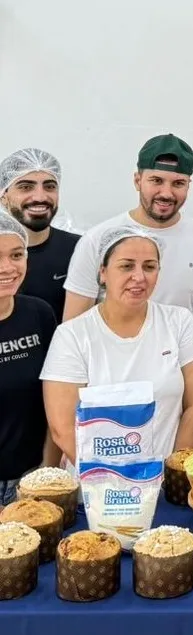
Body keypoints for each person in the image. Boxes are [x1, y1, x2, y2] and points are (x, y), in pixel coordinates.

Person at [41, 225, 193, 466]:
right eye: (126, 266)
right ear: (103, 272)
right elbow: (63, 428)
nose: (139, 277)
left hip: (163, 484)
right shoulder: (73, 335)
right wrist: (116, 482)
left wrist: (169, 474)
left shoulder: (180, 322)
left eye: (149, 267)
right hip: (94, 487)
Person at [62, 133, 193, 321]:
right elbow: (73, 326)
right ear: (137, 181)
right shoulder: (98, 239)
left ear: (189, 185)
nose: (166, 193)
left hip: (181, 350)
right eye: (156, 181)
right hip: (112, 349)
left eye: (178, 183)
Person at [0, 213, 58, 504]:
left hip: (34, 480)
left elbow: (56, 395)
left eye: (16, 255)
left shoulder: (39, 314)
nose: (7, 267)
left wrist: (46, 470)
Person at [0, 148, 80, 321]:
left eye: (49, 186)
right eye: (26, 187)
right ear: (3, 196)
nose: (40, 196)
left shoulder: (80, 249)